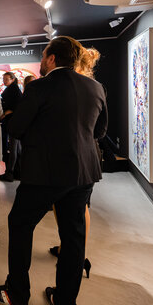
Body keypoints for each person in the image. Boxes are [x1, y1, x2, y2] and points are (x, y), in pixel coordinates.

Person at [0, 36, 108, 305]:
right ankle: (65, 304)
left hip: (46, 174)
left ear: (52, 59)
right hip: (83, 174)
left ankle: (17, 293)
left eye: (43, 55)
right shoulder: (95, 87)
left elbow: (17, 128)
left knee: (20, 224)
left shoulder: (40, 87)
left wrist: (26, 124)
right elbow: (100, 132)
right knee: (73, 237)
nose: (41, 60)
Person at [49, 47, 102, 278]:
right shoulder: (92, 87)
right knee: (73, 208)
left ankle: (77, 256)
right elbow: (99, 130)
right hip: (85, 157)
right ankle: (70, 250)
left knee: (78, 210)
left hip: (74, 157)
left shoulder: (77, 87)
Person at [0, 72, 23, 182]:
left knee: (13, 148)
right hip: (15, 122)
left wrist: (5, 113)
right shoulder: (13, 89)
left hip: (13, 122)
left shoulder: (14, 90)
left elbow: (16, 106)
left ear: (12, 79)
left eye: (6, 79)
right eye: (3, 79)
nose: (4, 81)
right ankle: (18, 172)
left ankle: (10, 173)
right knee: (17, 148)